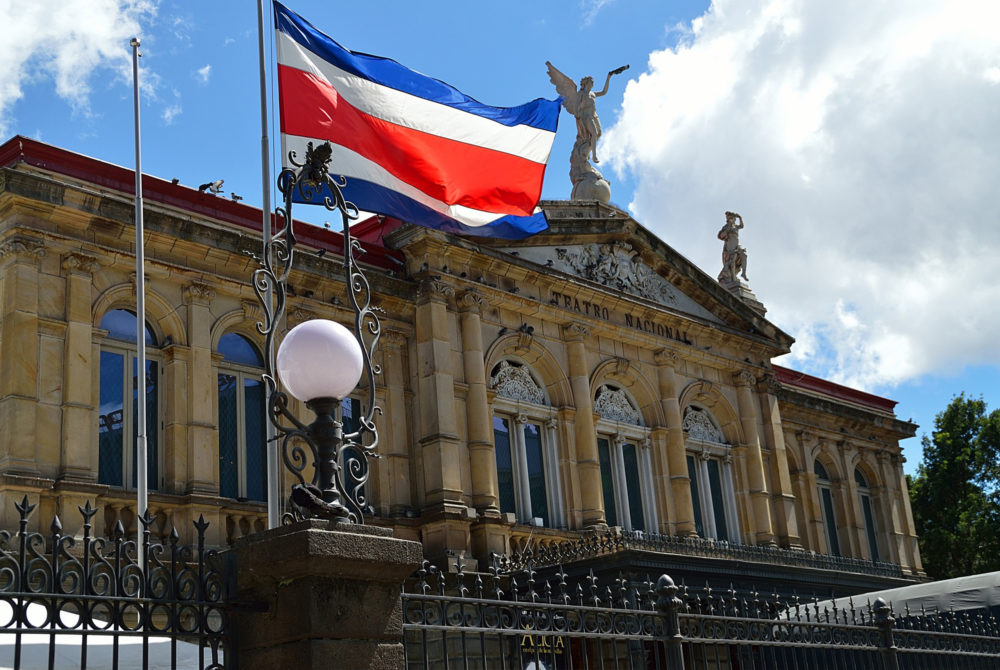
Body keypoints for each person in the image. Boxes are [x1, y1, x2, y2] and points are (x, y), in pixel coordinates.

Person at [718, 211, 749, 282]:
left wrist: (740, 218)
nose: (733, 219)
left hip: (737, 245)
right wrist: (729, 225)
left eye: (734, 218)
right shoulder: (726, 226)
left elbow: (741, 226)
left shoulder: (735, 226)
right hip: (730, 246)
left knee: (744, 255)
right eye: (731, 218)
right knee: (732, 261)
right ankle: (732, 277)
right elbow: (721, 235)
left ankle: (743, 273)